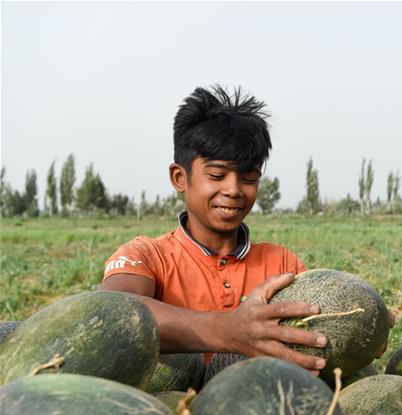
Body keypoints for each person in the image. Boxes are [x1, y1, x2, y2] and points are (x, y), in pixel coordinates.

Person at [101, 85, 328, 375]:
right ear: (180, 177)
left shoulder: (281, 263)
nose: (233, 190)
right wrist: (227, 330)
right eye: (217, 175)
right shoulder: (147, 256)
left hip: (256, 410)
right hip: (164, 410)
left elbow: (319, 325)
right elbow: (110, 313)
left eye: (248, 177)